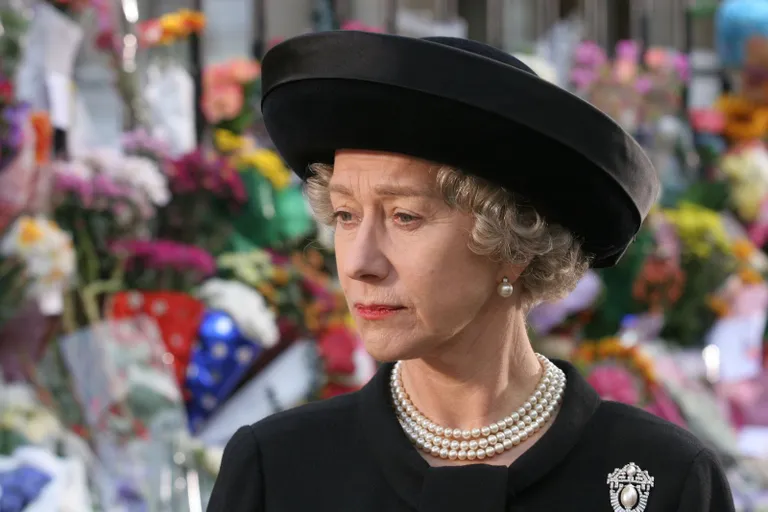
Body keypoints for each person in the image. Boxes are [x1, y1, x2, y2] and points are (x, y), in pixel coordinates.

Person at [207, 31, 735, 512]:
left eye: (404, 217)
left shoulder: (664, 479)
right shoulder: (278, 470)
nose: (360, 263)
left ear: (514, 242)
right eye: (346, 215)